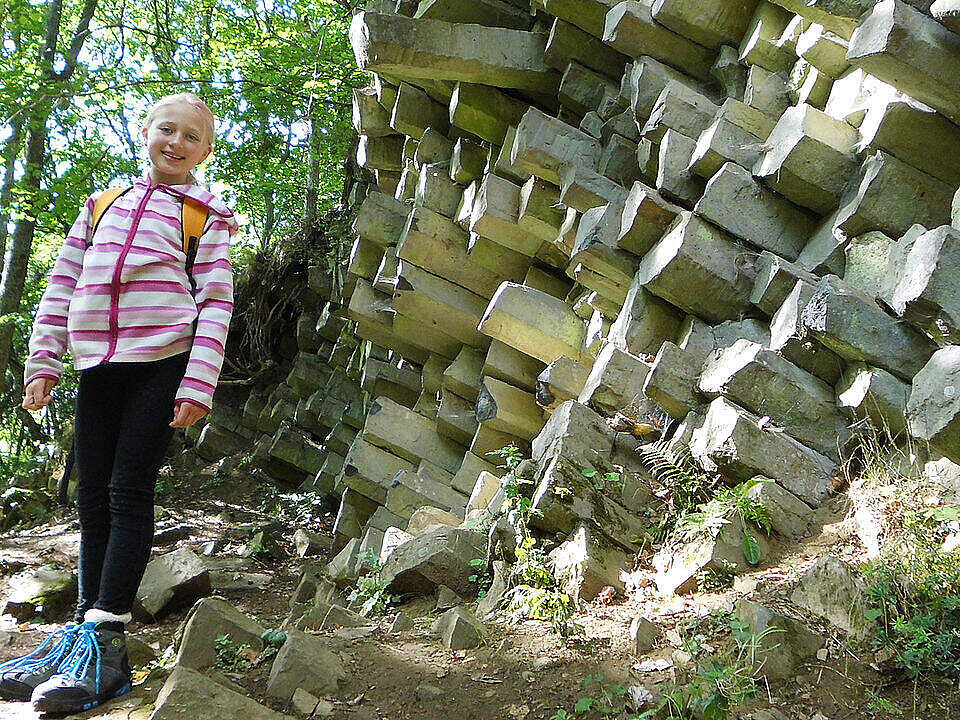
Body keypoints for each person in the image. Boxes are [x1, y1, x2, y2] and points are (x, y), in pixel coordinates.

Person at [0, 92, 237, 714]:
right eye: (166, 129)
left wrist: (199, 382)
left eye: (191, 136)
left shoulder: (204, 216)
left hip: (162, 362)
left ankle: (106, 646)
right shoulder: (102, 204)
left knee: (128, 490)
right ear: (145, 132)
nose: (175, 142)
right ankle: (75, 640)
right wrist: (42, 363)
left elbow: (215, 301)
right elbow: (62, 283)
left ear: (205, 150)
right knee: (91, 490)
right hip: (97, 363)